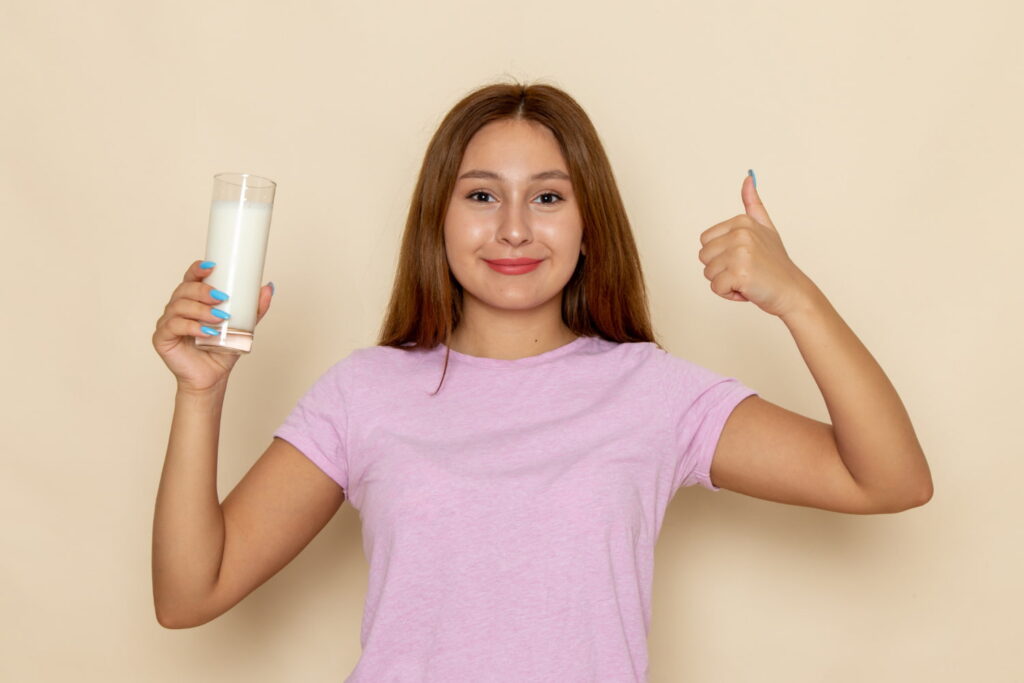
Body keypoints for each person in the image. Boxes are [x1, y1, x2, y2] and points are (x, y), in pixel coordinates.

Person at [151, 81, 934, 680]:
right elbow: (191, 593)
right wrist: (201, 392)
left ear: (589, 224)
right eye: (482, 195)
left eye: (549, 196)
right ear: (440, 219)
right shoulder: (364, 392)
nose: (515, 227)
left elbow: (890, 478)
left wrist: (794, 295)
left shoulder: (650, 393)